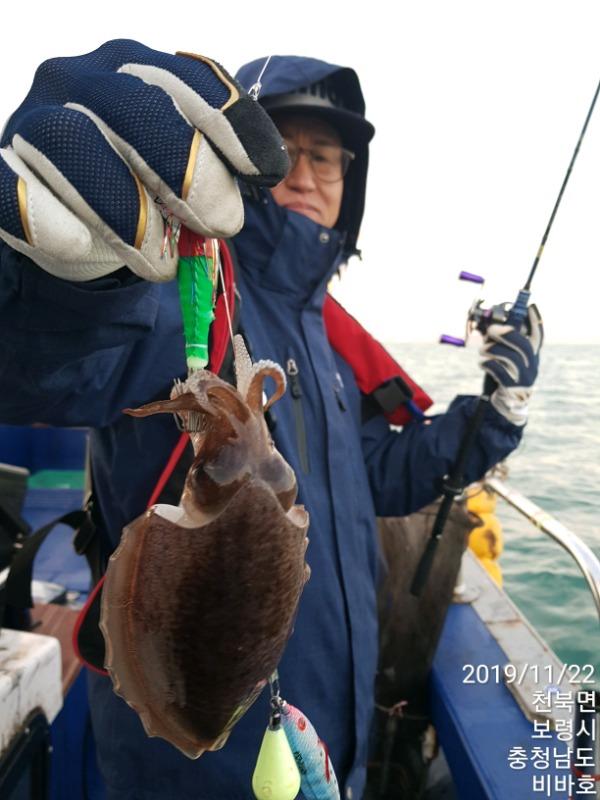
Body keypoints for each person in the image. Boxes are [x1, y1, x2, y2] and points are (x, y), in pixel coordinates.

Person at [0, 41, 542, 799]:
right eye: (285, 150)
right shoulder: (178, 293)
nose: (308, 175)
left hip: (330, 748)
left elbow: (377, 476)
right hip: (192, 774)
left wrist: (498, 411)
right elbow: (51, 359)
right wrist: (60, 276)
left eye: (329, 159)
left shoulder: (328, 341)